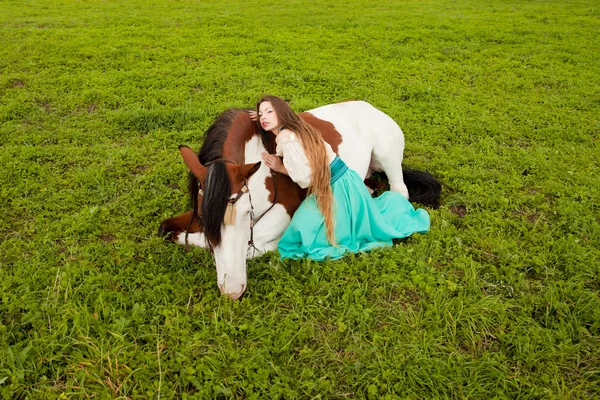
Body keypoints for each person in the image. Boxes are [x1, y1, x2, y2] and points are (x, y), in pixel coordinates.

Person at [249, 95, 430, 261]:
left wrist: (280, 167)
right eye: (260, 113)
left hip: (335, 188)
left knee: (302, 230)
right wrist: (266, 117)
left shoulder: (285, 137)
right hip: (347, 179)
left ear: (281, 113)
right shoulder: (296, 126)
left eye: (269, 112)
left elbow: (305, 178)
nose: (263, 117)